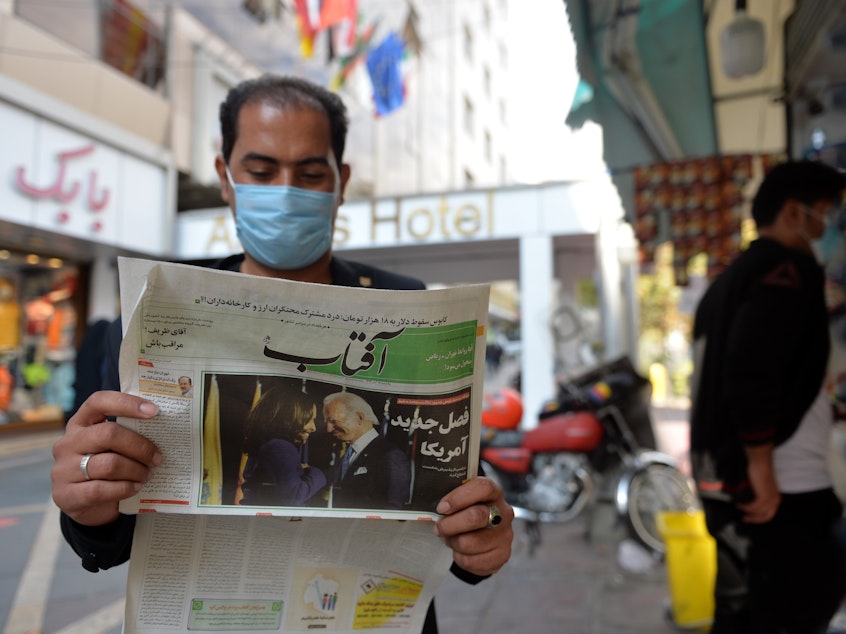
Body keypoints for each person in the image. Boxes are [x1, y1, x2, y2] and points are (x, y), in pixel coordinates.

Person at [50, 74, 514, 634]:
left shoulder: (404, 307)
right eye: (262, 172)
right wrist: (87, 502)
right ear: (225, 177)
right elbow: (112, 536)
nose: (287, 191)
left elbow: (456, 501)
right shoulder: (153, 314)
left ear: (341, 182)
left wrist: (482, 534)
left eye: (311, 173)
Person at [690, 160, 846, 633]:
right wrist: (760, 463)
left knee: (745, 608)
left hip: (730, 472)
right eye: (827, 211)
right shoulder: (787, 270)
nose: (832, 224)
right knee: (793, 607)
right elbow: (751, 366)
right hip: (780, 482)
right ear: (794, 214)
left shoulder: (733, 277)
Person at [238, 387, 326, 507]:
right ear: (290, 417)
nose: (314, 428)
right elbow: (294, 496)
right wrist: (315, 473)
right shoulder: (280, 447)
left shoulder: (269, 445)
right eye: (310, 420)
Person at [323, 391, 410, 509]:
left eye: (333, 421)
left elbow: (392, 509)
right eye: (327, 422)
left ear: (359, 418)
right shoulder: (347, 454)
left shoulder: (390, 455)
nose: (329, 429)